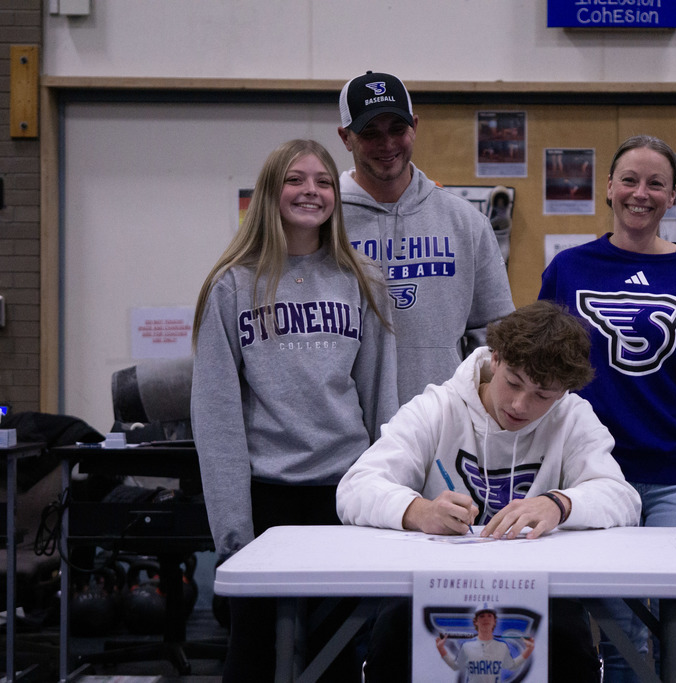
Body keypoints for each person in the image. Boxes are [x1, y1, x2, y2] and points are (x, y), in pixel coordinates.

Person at [537, 134, 676, 683]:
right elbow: (542, 376)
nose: (641, 193)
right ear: (609, 188)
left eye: (655, 183)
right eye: (630, 180)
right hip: (594, 478)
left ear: (673, 197)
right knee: (621, 641)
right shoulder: (569, 269)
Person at [337, 300, 641, 681]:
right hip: (435, 583)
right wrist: (418, 511)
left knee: (566, 638)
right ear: (494, 359)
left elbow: (622, 496)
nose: (520, 404)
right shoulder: (438, 407)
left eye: (542, 395)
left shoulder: (573, 416)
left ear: (563, 391)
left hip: (538, 586)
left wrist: (560, 503)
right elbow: (356, 486)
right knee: (396, 632)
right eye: (513, 382)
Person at [191, 138, 398, 682]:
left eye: (324, 181)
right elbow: (215, 417)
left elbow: (383, 402)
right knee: (255, 657)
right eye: (296, 179)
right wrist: (233, 533)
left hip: (344, 495)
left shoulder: (364, 281)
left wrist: (386, 499)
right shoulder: (231, 284)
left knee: (335, 660)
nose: (312, 191)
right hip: (266, 500)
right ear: (270, 192)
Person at [337, 70, 515, 405]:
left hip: (443, 430)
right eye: (370, 132)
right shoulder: (323, 223)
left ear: (414, 127)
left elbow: (498, 335)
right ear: (345, 137)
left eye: (397, 129)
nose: (387, 144)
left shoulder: (466, 222)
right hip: (346, 435)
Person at [436, 606, 535, 682]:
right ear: (476, 622)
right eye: (482, 617)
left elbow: (513, 666)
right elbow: (456, 665)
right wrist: (441, 648)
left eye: (489, 616)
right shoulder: (468, 647)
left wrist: (528, 650)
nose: (486, 619)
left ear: (494, 622)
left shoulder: (501, 646)